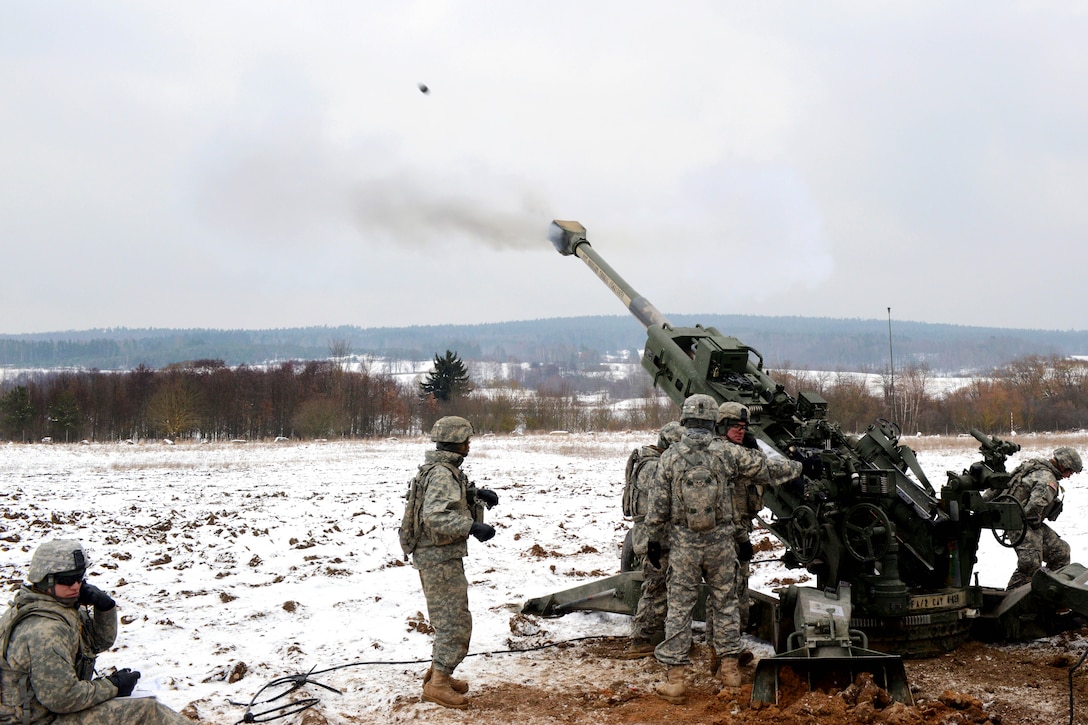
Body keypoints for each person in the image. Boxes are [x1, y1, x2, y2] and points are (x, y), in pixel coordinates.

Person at [644, 394, 788, 703]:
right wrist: (801, 466)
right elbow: (767, 470)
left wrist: (655, 541)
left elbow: (657, 506)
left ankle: (677, 680)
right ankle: (730, 673)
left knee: (679, 609)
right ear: (713, 422)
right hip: (722, 546)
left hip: (684, 547)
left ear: (685, 419)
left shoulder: (670, 457)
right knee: (725, 604)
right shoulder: (726, 453)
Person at [0, 539, 191, 725]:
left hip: (43, 713)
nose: (76, 586)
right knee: (147, 712)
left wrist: (104, 608)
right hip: (39, 719)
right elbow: (63, 698)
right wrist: (114, 686)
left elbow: (98, 642)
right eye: (67, 580)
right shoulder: (45, 629)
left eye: (79, 578)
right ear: (44, 580)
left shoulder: (51, 607)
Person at [406, 416, 499, 709]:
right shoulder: (443, 473)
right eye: (467, 439)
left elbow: (442, 502)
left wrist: (475, 494)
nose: (469, 444)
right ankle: (438, 685)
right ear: (457, 442)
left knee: (448, 618)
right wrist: (471, 527)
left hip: (437, 555)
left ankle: (438, 672)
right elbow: (434, 516)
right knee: (455, 622)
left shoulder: (443, 470)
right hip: (438, 557)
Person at [621, 421, 684, 658]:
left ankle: (661, 637)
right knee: (656, 588)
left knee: (663, 587)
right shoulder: (653, 467)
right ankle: (641, 639)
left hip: (658, 536)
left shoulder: (650, 461)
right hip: (654, 539)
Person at [1004, 446, 1083, 590]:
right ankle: (1012, 598)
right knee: (1030, 563)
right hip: (1019, 523)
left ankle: (1048, 592)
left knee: (1061, 552)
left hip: (1028, 522)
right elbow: (1033, 509)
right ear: (1063, 464)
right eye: (1070, 471)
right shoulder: (1048, 480)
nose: (1069, 475)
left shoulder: (1035, 465)